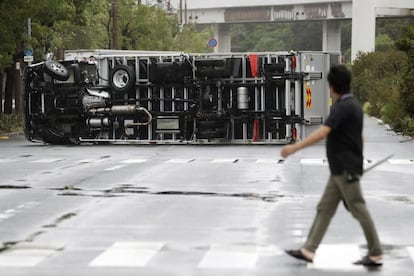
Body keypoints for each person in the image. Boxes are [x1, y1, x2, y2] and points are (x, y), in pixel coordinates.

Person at [281, 65, 383, 267]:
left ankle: (376, 252)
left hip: (344, 169)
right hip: (341, 169)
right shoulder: (354, 105)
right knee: (324, 208)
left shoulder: (341, 107)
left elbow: (322, 132)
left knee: (358, 208)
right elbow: (359, 137)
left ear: (332, 86)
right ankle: (308, 250)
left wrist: (294, 148)